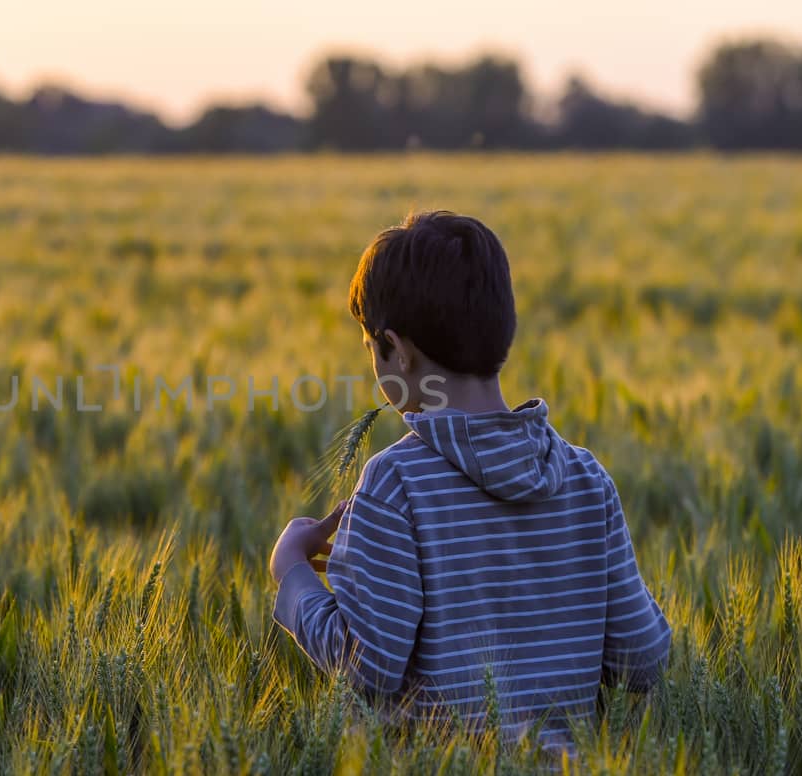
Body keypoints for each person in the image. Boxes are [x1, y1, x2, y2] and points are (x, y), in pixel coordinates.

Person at [269, 211, 671, 747]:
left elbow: (365, 668)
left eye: (371, 350)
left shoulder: (395, 484)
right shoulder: (586, 478)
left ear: (398, 350)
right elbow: (642, 660)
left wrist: (292, 571)